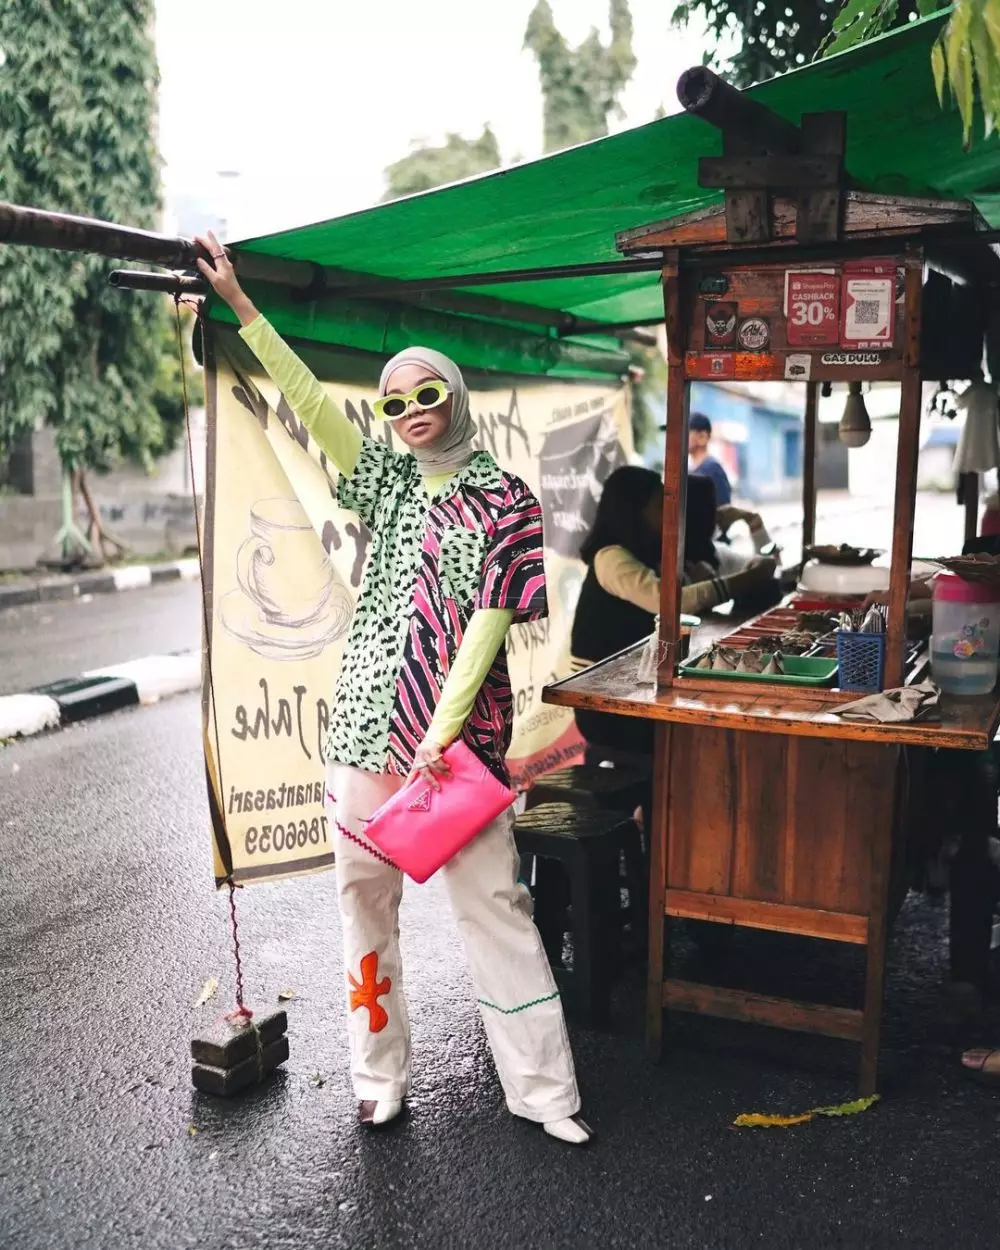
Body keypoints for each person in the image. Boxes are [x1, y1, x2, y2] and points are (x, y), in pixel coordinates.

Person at [196, 232, 591, 1146]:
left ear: (455, 397)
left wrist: (440, 735)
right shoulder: (385, 481)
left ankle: (546, 1094)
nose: (412, 411)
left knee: (495, 908)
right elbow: (309, 405)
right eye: (396, 401)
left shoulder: (507, 500)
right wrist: (246, 309)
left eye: (427, 395)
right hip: (364, 734)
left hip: (456, 749)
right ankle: (378, 1080)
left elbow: (489, 623)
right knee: (363, 906)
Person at [570, 467, 778, 758]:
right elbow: (668, 603)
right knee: (704, 735)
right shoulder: (610, 558)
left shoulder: (654, 554)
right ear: (635, 511)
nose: (671, 514)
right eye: (661, 505)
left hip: (635, 690)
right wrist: (745, 580)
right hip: (604, 703)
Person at [688, 412, 732, 507]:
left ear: (702, 437)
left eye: (686, 432)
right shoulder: (690, 469)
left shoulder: (713, 470)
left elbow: (723, 509)